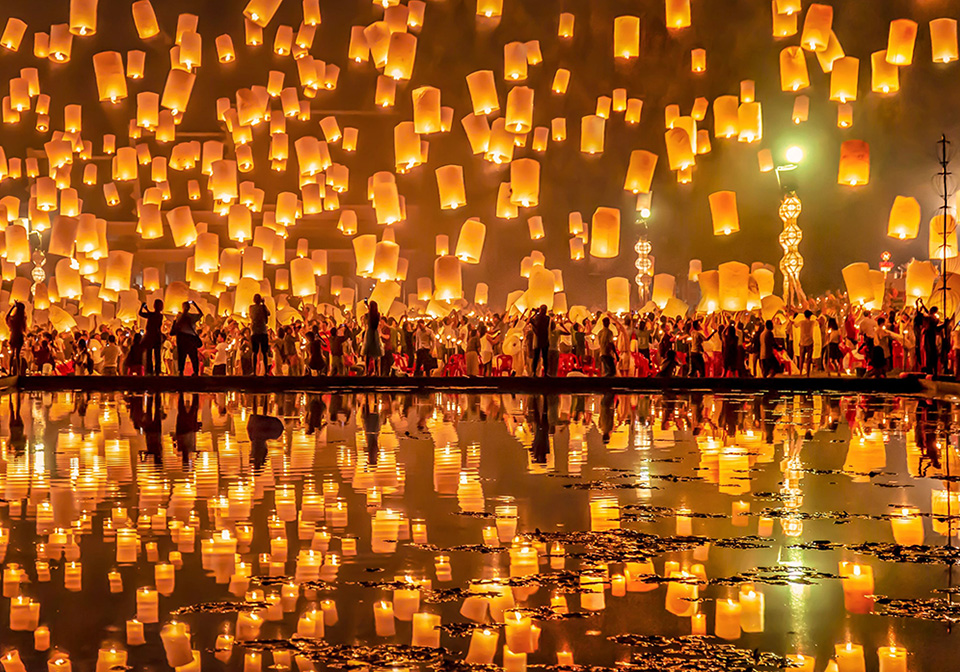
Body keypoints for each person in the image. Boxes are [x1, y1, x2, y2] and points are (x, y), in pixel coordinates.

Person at [173, 300, 204, 376]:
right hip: (190, 338)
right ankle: (195, 371)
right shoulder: (191, 316)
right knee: (193, 355)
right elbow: (201, 314)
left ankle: (181, 371)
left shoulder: (179, 317)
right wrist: (195, 305)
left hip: (182, 338)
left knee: (182, 356)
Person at [139, 299, 165, 375]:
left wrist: (143, 307)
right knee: (157, 354)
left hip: (150, 336)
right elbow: (150, 315)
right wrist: (146, 309)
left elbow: (141, 313)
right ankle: (157, 370)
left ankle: (149, 370)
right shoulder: (160, 315)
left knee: (149, 354)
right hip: (157, 336)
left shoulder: (153, 315)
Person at [250, 293, 270, 375]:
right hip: (261, 331)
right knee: (262, 352)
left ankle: (256, 372)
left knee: (258, 352)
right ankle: (262, 372)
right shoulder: (261, 308)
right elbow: (268, 314)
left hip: (257, 331)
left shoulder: (252, 307)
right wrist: (263, 304)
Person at [6, 301, 26, 376]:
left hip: (14, 336)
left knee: (12, 354)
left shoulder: (13, 319)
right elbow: (24, 329)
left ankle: (10, 372)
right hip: (19, 336)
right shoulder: (22, 318)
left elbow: (7, 317)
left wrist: (13, 307)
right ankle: (19, 372)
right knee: (17, 355)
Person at [363, 301, 383, 375]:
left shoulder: (367, 315)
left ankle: (367, 371)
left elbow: (366, 321)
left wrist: (367, 306)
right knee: (376, 353)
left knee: (368, 353)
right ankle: (377, 371)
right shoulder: (377, 315)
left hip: (369, 333)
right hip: (375, 333)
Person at [529, 306, 550, 376]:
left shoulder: (538, 317)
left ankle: (534, 372)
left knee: (536, 357)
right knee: (545, 357)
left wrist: (535, 313)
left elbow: (531, 320)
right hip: (545, 339)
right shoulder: (547, 318)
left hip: (538, 339)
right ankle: (546, 373)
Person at [797, 310, 816, 376]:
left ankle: (800, 372)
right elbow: (817, 322)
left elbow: (795, 325)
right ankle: (808, 374)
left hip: (802, 342)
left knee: (801, 358)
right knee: (809, 359)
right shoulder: (813, 322)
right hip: (810, 342)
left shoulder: (801, 322)